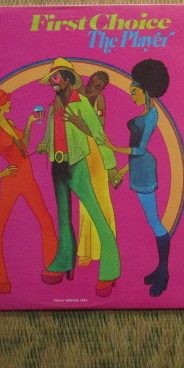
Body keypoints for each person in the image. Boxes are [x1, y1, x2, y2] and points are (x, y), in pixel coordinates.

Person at [37, 58, 122, 297]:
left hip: (78, 166)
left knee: (97, 215)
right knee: (63, 218)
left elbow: (99, 134)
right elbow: (50, 132)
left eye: (55, 78)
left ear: (67, 79)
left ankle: (111, 267)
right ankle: (64, 261)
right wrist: (44, 144)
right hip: (58, 165)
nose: (52, 83)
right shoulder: (53, 106)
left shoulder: (82, 103)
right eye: (50, 80)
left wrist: (111, 168)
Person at [0, 88, 57, 294]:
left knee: (45, 219)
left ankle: (54, 267)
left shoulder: (10, 124)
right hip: (12, 180)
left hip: (28, 178)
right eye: (7, 101)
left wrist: (29, 123)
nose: (10, 103)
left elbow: (24, 147)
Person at [99, 59, 171, 297]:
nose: (131, 96)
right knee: (152, 221)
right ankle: (160, 270)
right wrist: (121, 171)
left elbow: (139, 150)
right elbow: (135, 152)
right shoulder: (145, 112)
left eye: (134, 92)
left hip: (144, 168)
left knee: (155, 221)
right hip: (137, 167)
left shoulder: (151, 116)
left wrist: (112, 146)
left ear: (145, 91)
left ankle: (164, 273)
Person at [68, 71, 117, 267]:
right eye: (91, 82)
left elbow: (99, 133)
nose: (91, 87)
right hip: (79, 153)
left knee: (102, 201)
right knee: (85, 203)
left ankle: (105, 250)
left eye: (97, 86)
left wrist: (79, 124)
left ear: (102, 89)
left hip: (96, 154)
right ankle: (86, 252)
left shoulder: (100, 101)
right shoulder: (75, 92)